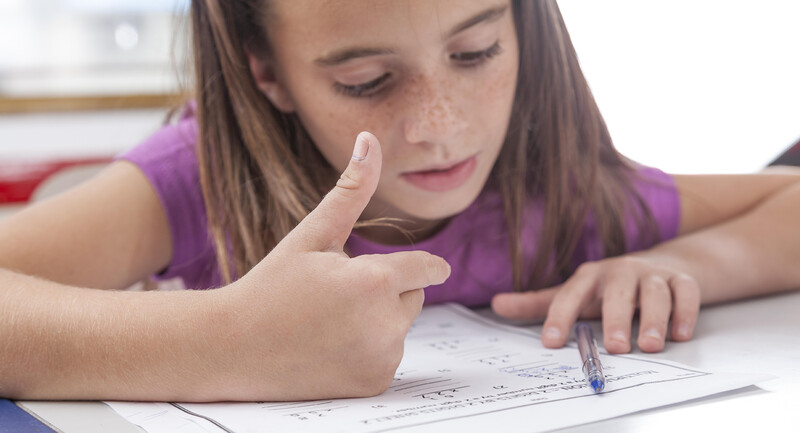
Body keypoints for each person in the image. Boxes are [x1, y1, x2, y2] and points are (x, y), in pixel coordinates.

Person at [1, 0, 799, 402]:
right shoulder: (193, 181)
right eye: (365, 81)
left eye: (477, 51)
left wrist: (679, 260)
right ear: (265, 73)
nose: (440, 128)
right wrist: (222, 340)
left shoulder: (563, 199)